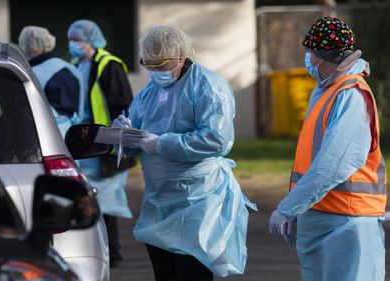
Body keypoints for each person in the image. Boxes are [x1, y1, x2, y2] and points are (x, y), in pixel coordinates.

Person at [112, 25, 256, 281]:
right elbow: (138, 125)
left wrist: (161, 144)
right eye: (149, 64)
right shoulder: (150, 91)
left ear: (180, 56)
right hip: (159, 198)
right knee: (165, 273)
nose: (155, 72)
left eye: (161, 64)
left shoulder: (207, 86)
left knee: (191, 273)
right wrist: (123, 133)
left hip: (197, 199)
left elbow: (215, 139)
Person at [269, 17, 387, 281]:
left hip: (348, 222)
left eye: (310, 51)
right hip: (326, 218)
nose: (307, 57)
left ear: (321, 56)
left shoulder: (350, 94)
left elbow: (333, 163)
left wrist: (290, 207)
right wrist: (301, 207)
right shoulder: (327, 89)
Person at [67, 19, 134, 267]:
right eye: (71, 40)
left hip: (106, 143)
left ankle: (112, 253)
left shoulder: (108, 65)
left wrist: (118, 137)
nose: (73, 45)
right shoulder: (80, 64)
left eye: (77, 40)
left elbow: (123, 105)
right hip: (89, 141)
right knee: (93, 198)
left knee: (105, 201)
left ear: (91, 40)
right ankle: (101, 250)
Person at [18, 26, 83, 136]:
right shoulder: (69, 68)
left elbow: (61, 119)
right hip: (69, 138)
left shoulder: (39, 72)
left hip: (48, 139)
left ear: (31, 45)